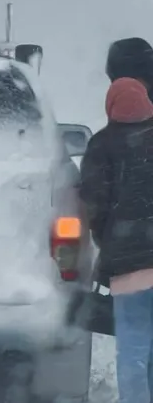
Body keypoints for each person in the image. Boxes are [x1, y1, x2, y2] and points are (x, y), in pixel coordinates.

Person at [80, 77, 153, 403]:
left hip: (128, 268)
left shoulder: (101, 145)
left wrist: (106, 239)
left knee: (134, 347)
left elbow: (93, 205)